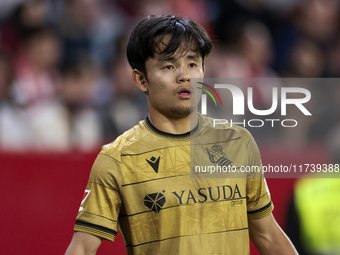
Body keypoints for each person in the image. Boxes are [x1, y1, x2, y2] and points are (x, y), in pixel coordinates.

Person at [65, 15, 298, 255]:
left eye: (192, 64)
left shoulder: (238, 142)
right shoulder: (117, 159)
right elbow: (82, 247)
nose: (184, 75)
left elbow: (267, 235)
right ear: (141, 79)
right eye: (168, 66)